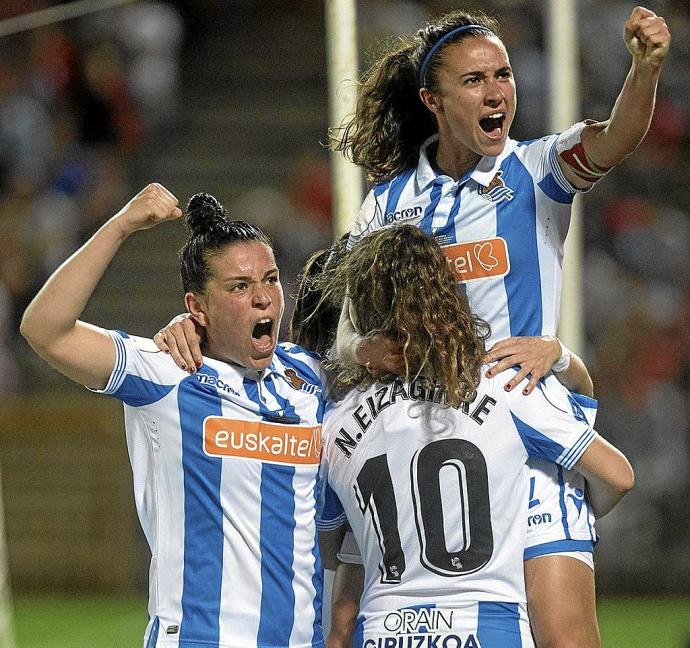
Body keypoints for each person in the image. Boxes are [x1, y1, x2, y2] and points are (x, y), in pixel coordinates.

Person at [331, 6, 669, 647]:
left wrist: (645, 68)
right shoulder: (387, 203)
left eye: (504, 74)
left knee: (565, 635)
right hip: (430, 440)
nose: (497, 92)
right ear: (432, 98)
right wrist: (368, 348)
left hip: (527, 425)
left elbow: (616, 137)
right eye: (475, 80)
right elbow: (349, 329)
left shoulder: (537, 171)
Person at [20, 183, 328, 648]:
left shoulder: (308, 378)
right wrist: (122, 224)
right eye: (239, 287)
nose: (264, 298)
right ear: (196, 307)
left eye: (269, 278)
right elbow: (45, 329)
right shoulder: (166, 372)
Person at [316, 224, 633, 647]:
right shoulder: (504, 385)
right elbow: (619, 476)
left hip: (381, 630)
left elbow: (330, 548)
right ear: (448, 296)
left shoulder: (337, 422)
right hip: (488, 627)